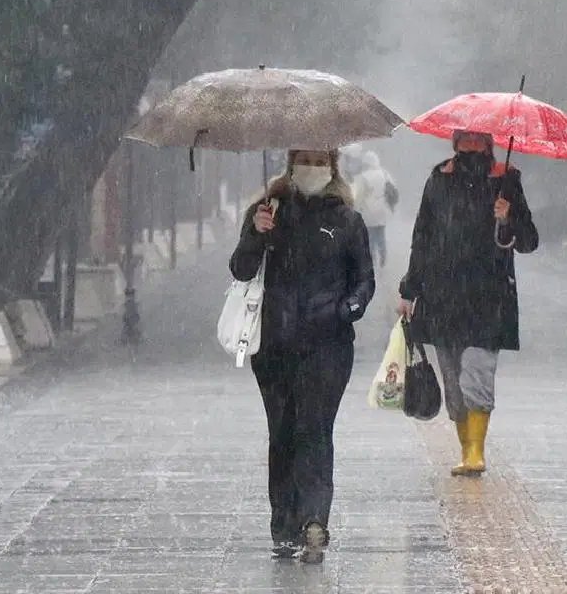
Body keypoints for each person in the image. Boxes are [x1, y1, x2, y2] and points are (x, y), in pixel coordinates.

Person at [229, 148, 375, 563]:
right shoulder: (268, 211)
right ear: (291, 164)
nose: (311, 166)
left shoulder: (347, 220)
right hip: (274, 344)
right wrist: (257, 233)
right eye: (304, 158)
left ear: (332, 166)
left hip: (327, 346)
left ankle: (314, 520)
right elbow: (240, 268)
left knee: (315, 429)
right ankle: (283, 525)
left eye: (319, 159)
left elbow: (364, 279)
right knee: (283, 433)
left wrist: (347, 309)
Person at [398, 130, 538, 477]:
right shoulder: (438, 179)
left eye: (478, 139)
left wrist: (508, 218)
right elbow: (422, 237)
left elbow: (529, 241)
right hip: (443, 297)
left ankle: (476, 452)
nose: (471, 145)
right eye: (465, 138)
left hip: (488, 299)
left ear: (489, 143)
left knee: (477, 374)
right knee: (453, 383)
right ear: (455, 141)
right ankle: (464, 448)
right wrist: (409, 289)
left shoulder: (507, 180)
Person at [349, 150, 399, 268]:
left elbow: (359, 196)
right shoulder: (385, 174)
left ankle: (373, 262)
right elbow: (392, 189)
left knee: (370, 238)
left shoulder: (362, 177)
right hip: (382, 210)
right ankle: (383, 260)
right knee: (381, 236)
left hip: (368, 212)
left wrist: (355, 209)